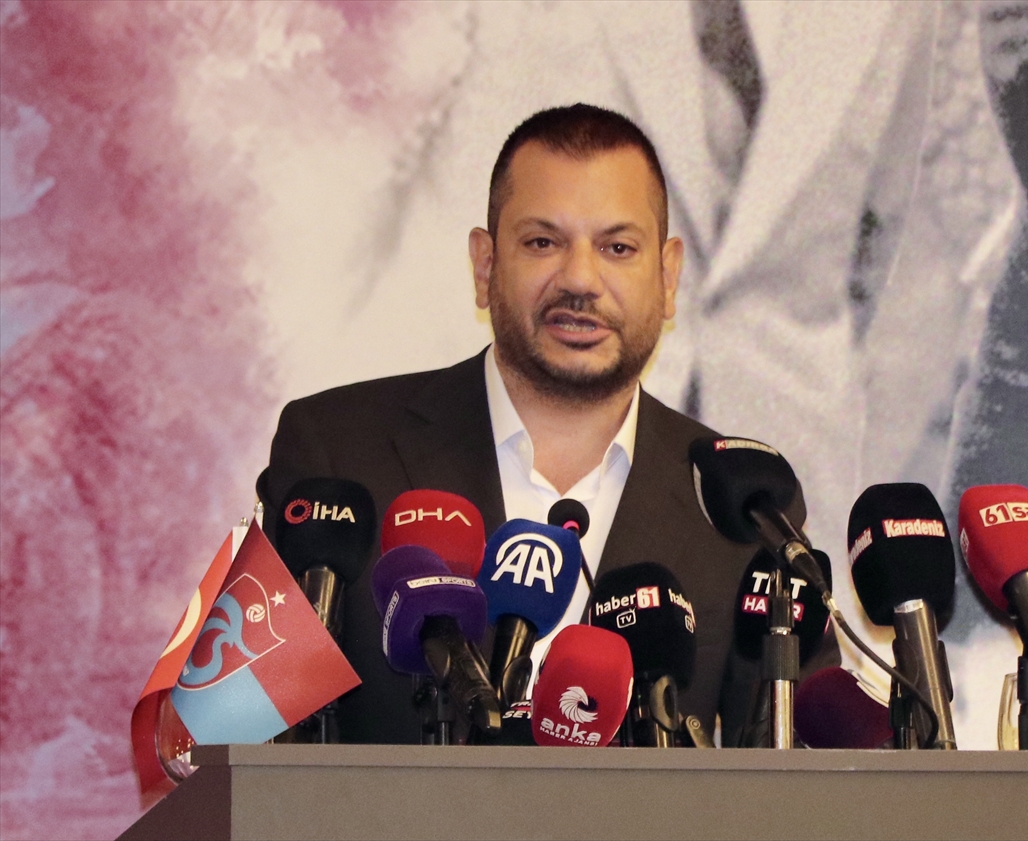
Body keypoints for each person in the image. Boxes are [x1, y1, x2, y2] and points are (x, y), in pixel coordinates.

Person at [256, 104, 839, 747]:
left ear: (668, 276)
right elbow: (222, 735)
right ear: (485, 266)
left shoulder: (742, 507)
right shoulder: (336, 452)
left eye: (617, 248)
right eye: (542, 242)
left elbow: (802, 779)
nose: (581, 279)